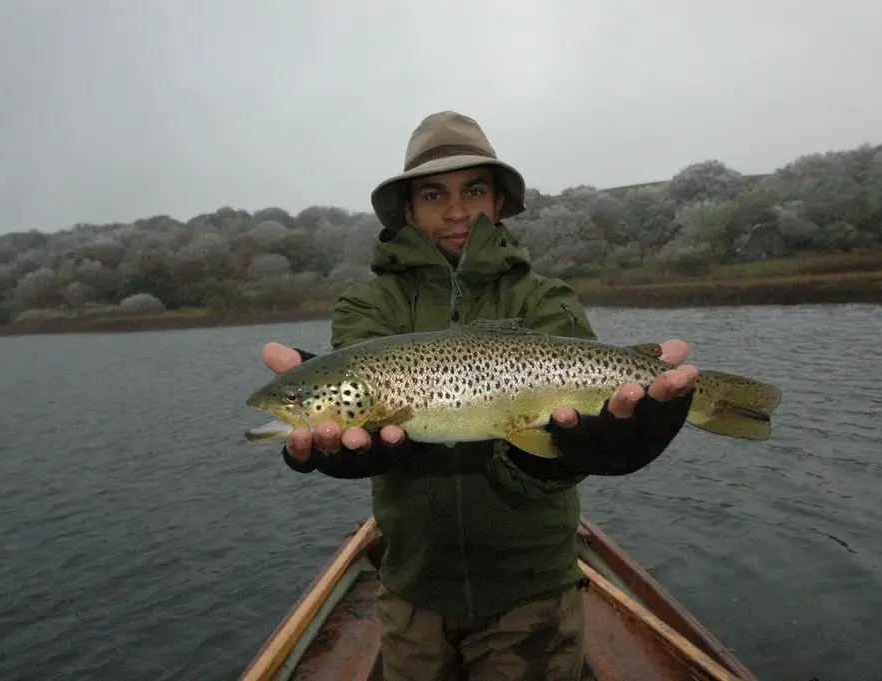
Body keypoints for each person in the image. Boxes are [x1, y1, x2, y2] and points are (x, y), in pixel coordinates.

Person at [260, 111, 698, 681]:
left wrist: (578, 453)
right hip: (413, 585)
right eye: (434, 193)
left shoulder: (547, 298)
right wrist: (351, 446)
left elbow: (573, 434)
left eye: (474, 190)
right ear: (408, 211)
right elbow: (358, 406)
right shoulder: (367, 306)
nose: (457, 209)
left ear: (497, 203)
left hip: (533, 587)